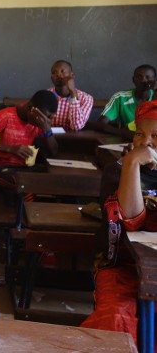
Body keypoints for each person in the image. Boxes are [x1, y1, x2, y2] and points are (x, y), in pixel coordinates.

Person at [80, 100, 157, 346]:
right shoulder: (118, 170)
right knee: (116, 317)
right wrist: (133, 163)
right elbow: (131, 220)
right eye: (139, 134)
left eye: (155, 135)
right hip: (121, 266)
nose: (145, 142)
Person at [0, 90, 59, 198]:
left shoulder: (39, 122)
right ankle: (25, 212)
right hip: (2, 169)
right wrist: (11, 149)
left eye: (49, 118)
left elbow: (53, 152)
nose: (45, 121)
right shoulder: (5, 116)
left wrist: (47, 129)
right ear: (31, 108)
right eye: (43, 118)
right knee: (26, 187)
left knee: (56, 180)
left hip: (25, 169)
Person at [95, 64, 156, 141]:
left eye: (148, 77)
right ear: (133, 80)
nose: (143, 80)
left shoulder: (155, 97)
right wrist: (124, 133)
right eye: (139, 77)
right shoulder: (120, 97)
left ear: (155, 80)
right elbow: (100, 124)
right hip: (127, 140)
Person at [48, 60, 94, 132]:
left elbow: (76, 126)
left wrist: (73, 93)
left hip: (74, 140)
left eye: (62, 71)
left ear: (72, 75)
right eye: (54, 72)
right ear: (51, 78)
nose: (58, 74)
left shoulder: (86, 98)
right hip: (48, 139)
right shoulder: (45, 95)